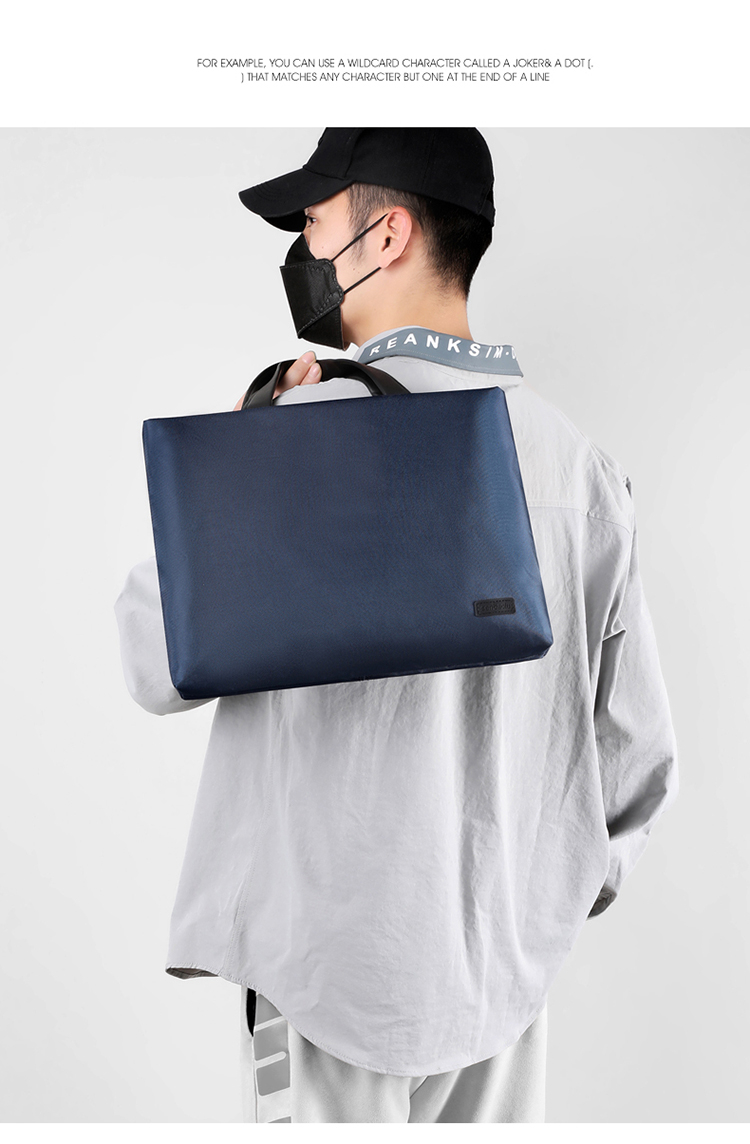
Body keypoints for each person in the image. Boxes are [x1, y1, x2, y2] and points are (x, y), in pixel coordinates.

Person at [113, 128, 679, 1123]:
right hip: (503, 986)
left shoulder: (295, 431)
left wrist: (243, 461)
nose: (301, 249)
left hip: (322, 975)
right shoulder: (580, 468)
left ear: (387, 236)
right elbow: (635, 758)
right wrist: (540, 899)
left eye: (313, 222)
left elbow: (154, 657)